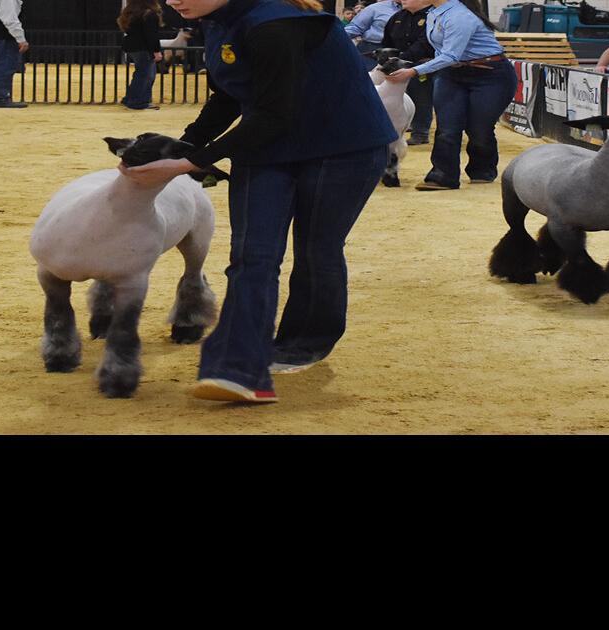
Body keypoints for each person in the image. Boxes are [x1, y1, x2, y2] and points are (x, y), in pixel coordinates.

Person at [119, 0, 395, 403]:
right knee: (252, 255)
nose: (175, 1)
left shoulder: (275, 25)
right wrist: (186, 144)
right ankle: (238, 368)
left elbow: (272, 114)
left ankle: (305, 341)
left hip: (342, 146)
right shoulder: (216, 22)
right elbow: (229, 98)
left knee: (316, 249)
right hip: (267, 145)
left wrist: (190, 162)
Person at [386, 0, 517, 191]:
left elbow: (451, 55)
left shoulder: (460, 16)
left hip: (490, 74)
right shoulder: (434, 13)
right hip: (451, 73)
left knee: (479, 127)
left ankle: (482, 170)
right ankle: (442, 176)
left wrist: (414, 71)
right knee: (447, 126)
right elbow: (441, 51)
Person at [380, 0, 435, 144]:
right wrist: (388, 59)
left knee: (421, 96)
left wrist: (402, 58)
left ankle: (421, 132)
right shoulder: (397, 17)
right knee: (399, 97)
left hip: (424, 63)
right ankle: (405, 124)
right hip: (398, 64)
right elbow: (387, 40)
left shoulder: (433, 16)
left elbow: (425, 43)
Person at [118, 0, 165, 110]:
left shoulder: (130, 12)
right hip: (143, 47)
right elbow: (151, 34)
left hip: (131, 46)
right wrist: (156, 51)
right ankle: (139, 101)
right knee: (146, 75)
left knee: (141, 73)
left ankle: (130, 98)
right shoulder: (149, 14)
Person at [345, 0, 402, 69]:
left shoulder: (415, 10)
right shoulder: (376, 8)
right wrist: (334, 38)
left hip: (405, 51)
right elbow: (355, 27)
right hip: (372, 49)